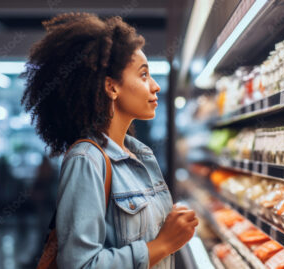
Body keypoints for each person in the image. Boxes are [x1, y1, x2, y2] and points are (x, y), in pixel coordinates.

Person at [21, 13, 198, 269]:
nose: (155, 86)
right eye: (144, 74)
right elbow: (81, 265)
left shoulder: (142, 155)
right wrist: (163, 244)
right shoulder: (86, 160)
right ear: (112, 87)